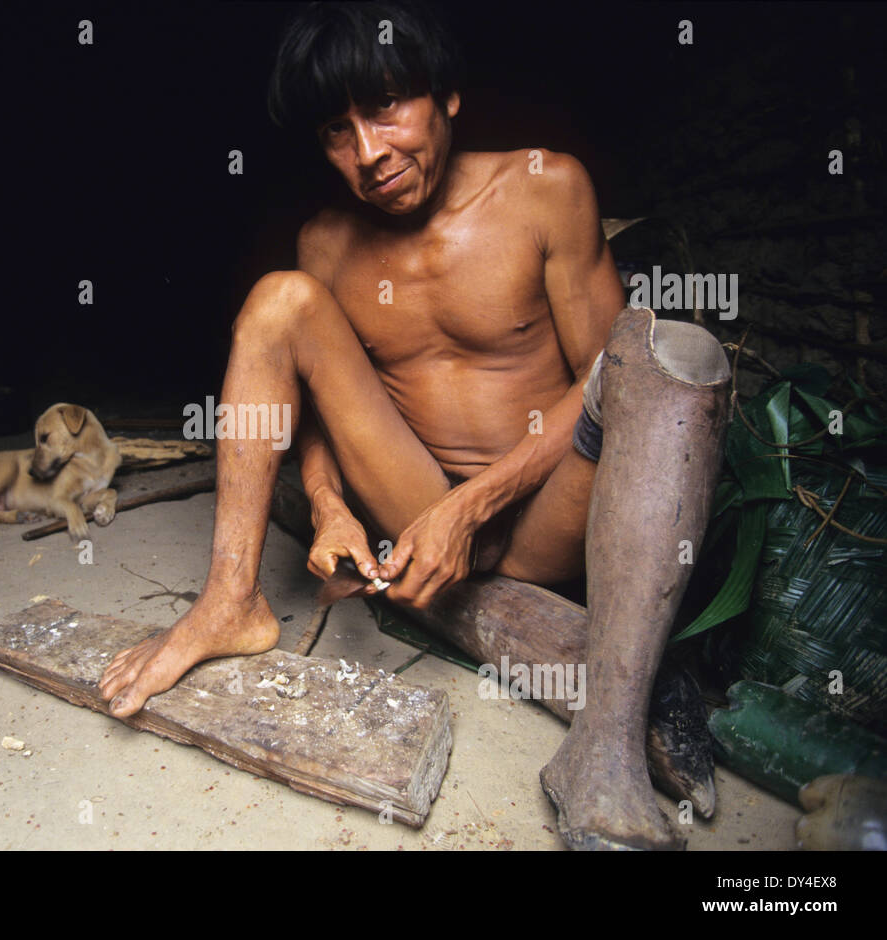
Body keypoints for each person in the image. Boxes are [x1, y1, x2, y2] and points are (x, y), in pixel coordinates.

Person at [99, 1, 730, 850]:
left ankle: (604, 748)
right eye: (337, 130)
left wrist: (474, 506)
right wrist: (328, 504)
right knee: (277, 301)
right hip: (417, 505)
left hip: (556, 514)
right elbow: (319, 413)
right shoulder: (327, 241)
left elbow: (604, 377)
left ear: (447, 94)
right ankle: (229, 601)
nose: (368, 153)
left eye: (386, 107)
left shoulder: (546, 188)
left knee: (668, 354)